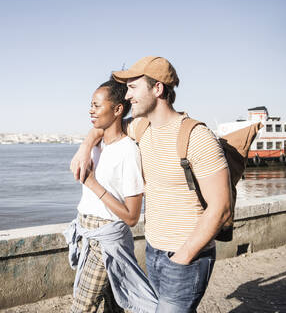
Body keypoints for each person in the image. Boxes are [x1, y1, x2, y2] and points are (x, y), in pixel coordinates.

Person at [70, 56, 231, 312]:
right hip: (154, 252)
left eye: (133, 88)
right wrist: (85, 147)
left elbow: (221, 208)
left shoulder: (197, 137)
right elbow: (104, 126)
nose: (128, 96)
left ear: (157, 89)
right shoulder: (141, 128)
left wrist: (183, 257)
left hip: (186, 258)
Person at [64, 77, 158, 313]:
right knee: (114, 307)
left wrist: (93, 184)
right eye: (91, 104)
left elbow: (132, 216)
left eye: (97, 105)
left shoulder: (128, 152)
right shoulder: (94, 146)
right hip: (87, 234)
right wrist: (85, 148)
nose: (91, 110)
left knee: (81, 307)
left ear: (117, 109)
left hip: (106, 241)